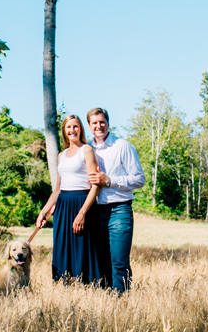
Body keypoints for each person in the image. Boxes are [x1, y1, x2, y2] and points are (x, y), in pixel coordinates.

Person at [36, 115, 102, 284]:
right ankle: (63, 285)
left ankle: (87, 286)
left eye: (76, 126)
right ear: (64, 131)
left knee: (82, 247)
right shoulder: (61, 155)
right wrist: (43, 213)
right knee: (62, 247)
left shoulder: (86, 150)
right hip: (63, 205)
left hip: (82, 203)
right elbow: (57, 190)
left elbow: (95, 186)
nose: (72, 130)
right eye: (69, 127)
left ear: (80, 129)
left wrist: (82, 213)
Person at [86, 107, 145, 293]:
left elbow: (139, 179)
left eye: (102, 122)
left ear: (108, 123)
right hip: (95, 211)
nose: (99, 126)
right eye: (94, 123)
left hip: (119, 209)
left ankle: (122, 303)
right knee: (101, 261)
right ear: (89, 126)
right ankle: (106, 302)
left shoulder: (123, 146)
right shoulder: (87, 149)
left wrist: (110, 181)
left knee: (119, 261)